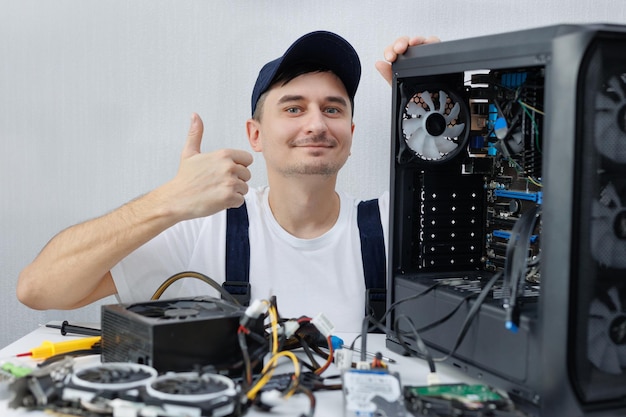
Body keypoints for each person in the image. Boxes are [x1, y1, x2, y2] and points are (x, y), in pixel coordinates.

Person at [17, 33, 438, 332]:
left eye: (332, 109)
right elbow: (39, 288)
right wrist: (168, 201)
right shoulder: (202, 228)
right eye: (293, 109)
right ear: (255, 135)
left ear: (350, 132)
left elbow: (496, 245)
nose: (316, 123)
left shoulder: (390, 226)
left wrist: (438, 90)